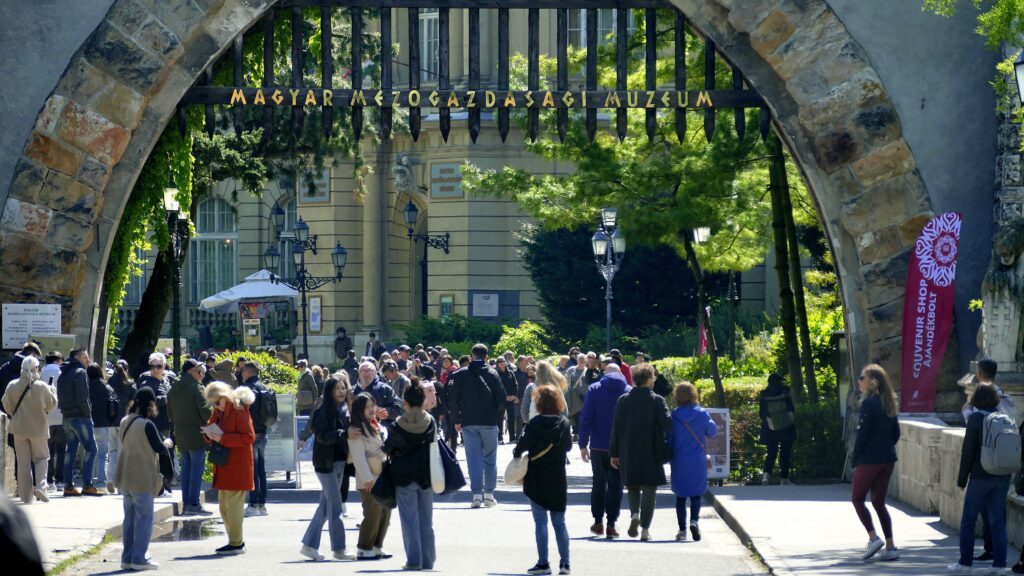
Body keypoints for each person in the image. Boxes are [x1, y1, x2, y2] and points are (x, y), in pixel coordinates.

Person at [948, 384, 1012, 574]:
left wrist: (961, 479)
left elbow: (968, 452)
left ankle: (965, 563)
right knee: (997, 521)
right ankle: (1000, 565)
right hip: (1001, 476)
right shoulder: (1005, 418)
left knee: (968, 519)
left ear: (976, 399)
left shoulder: (976, 419)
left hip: (980, 476)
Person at [515, 385, 573, 576]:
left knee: (540, 522)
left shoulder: (534, 424)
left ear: (538, 403)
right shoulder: (564, 423)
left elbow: (520, 448)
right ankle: (565, 564)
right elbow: (569, 447)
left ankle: (543, 563)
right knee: (559, 521)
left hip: (536, 477)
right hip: (557, 476)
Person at [610, 364, 671, 542]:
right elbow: (667, 424)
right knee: (649, 490)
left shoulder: (623, 400)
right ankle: (645, 529)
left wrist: (614, 453)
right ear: (649, 379)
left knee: (633, 486)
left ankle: (634, 514)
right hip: (651, 450)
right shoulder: (657, 400)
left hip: (627, 449)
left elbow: (616, 428)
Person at [115, 386, 173, 571]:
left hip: (125, 475)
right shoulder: (147, 425)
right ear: (151, 404)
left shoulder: (125, 421)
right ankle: (140, 558)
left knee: (129, 519)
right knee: (144, 519)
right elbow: (159, 448)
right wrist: (167, 442)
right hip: (142, 476)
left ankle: (127, 557)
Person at [300, 374, 355, 562]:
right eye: (338, 388)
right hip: (326, 463)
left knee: (325, 507)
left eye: (343, 388)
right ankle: (339, 549)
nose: (341, 391)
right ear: (330, 390)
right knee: (335, 506)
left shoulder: (345, 408)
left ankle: (309, 545)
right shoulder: (323, 409)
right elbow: (323, 436)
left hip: (339, 462)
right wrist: (344, 433)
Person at [384, 380, 438, 571]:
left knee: (409, 521)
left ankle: (413, 561)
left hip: (403, 476)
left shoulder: (398, 425)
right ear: (423, 401)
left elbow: (387, 448)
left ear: (404, 402)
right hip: (426, 475)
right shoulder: (430, 422)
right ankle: (428, 560)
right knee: (426, 521)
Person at [851, 363, 901, 562]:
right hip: (888, 458)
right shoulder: (888, 403)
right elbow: (896, 433)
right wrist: (885, 446)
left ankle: (873, 538)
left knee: (857, 499)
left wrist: (856, 457)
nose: (859, 382)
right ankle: (890, 547)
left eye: (862, 378)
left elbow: (863, 435)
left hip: (870, 459)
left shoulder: (869, 404)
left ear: (872, 382)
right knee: (879, 502)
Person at [451, 343, 506, 508]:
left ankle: (476, 495)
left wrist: (456, 420)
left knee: (473, 459)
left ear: (471, 356)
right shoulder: (492, 373)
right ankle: (489, 494)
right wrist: (495, 413)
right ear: (486, 356)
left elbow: (453, 400)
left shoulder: (461, 374)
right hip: (489, 421)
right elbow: (501, 398)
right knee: (490, 459)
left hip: (468, 422)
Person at [204, 381, 256, 555]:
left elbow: (249, 437)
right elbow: (212, 429)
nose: (214, 406)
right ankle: (234, 541)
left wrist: (222, 439)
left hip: (237, 466)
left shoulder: (239, 410)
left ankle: (236, 543)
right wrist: (208, 433)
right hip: (224, 465)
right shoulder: (219, 411)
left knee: (233, 509)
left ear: (225, 397)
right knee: (224, 508)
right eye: (212, 403)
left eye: (216, 402)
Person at [578, 362, 629, 538]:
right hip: (619, 448)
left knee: (598, 484)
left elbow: (586, 418)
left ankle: (598, 521)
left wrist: (583, 443)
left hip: (598, 445)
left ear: (605, 373)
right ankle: (612, 524)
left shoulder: (594, 389)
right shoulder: (628, 391)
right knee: (616, 486)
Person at [2, 356, 57, 504]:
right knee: (41, 459)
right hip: (38, 429)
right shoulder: (42, 386)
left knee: (23, 463)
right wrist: (53, 391)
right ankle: (41, 486)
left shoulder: (12, 385)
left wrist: (16, 415)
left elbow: (6, 405)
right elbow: (52, 405)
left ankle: (26, 497)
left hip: (19, 429)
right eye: (37, 368)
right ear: (34, 369)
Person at [667, 381, 717, 542]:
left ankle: (682, 530)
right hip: (697, 459)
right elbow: (713, 431)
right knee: (696, 493)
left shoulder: (674, 416)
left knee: (680, 496)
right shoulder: (701, 413)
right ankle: (694, 521)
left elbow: (669, 438)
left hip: (679, 459)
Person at [348, 392, 392, 560]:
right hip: (368, 479)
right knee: (372, 514)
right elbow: (358, 456)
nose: (372, 409)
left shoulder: (376, 426)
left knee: (385, 513)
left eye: (373, 405)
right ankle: (364, 547)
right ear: (360, 410)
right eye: (367, 407)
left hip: (382, 477)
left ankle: (376, 546)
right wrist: (367, 479)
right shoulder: (356, 429)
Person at [168, 359, 213, 516]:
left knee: (186, 469)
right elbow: (207, 413)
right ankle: (193, 503)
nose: (201, 375)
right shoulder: (196, 388)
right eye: (199, 371)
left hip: (181, 433)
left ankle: (187, 503)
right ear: (190, 371)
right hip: (196, 434)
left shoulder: (173, 388)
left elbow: (170, 413)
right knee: (196, 469)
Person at [57, 348, 101, 497]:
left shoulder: (64, 372)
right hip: (80, 417)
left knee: (70, 451)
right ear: (77, 358)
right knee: (91, 448)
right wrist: (88, 415)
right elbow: (83, 398)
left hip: (67, 417)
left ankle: (68, 486)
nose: (88, 360)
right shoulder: (80, 372)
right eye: (85, 358)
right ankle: (87, 485)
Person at [237, 361, 271, 517]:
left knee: (252, 469)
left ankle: (253, 503)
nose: (242, 373)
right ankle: (262, 504)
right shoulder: (264, 387)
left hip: (250, 432)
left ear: (248, 372)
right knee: (261, 469)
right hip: (263, 431)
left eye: (243, 370)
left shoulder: (247, 390)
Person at [759, 374, 796, 485]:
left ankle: (766, 476)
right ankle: (784, 479)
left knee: (771, 452)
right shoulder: (785, 392)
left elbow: (761, 414)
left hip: (770, 428)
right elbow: (791, 409)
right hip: (786, 427)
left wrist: (770, 422)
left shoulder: (764, 395)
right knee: (785, 453)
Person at [87, 363, 117, 495]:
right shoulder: (107, 388)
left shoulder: (85, 387)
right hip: (104, 424)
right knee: (103, 454)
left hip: (89, 423)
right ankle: (101, 481)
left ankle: (90, 481)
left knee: (90, 453)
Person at [354, 361, 403, 428]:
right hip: (358, 433)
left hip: (380, 433)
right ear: (358, 373)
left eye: (369, 370)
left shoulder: (385, 389)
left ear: (375, 372)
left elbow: (399, 411)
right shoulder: (352, 391)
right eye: (363, 370)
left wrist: (383, 412)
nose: (366, 373)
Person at [41, 352, 64, 491]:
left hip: (45, 418)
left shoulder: (40, 373)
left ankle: (48, 480)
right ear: (58, 360)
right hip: (61, 416)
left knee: (48, 450)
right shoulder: (62, 373)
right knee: (61, 450)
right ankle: (60, 480)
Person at [496, 357, 519, 442]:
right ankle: (500, 438)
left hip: (511, 399)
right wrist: (504, 397)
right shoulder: (496, 374)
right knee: (499, 419)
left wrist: (514, 395)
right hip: (501, 400)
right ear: (497, 364)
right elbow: (496, 388)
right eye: (500, 362)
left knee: (511, 418)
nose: (502, 363)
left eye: (503, 362)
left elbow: (515, 385)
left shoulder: (511, 373)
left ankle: (512, 437)